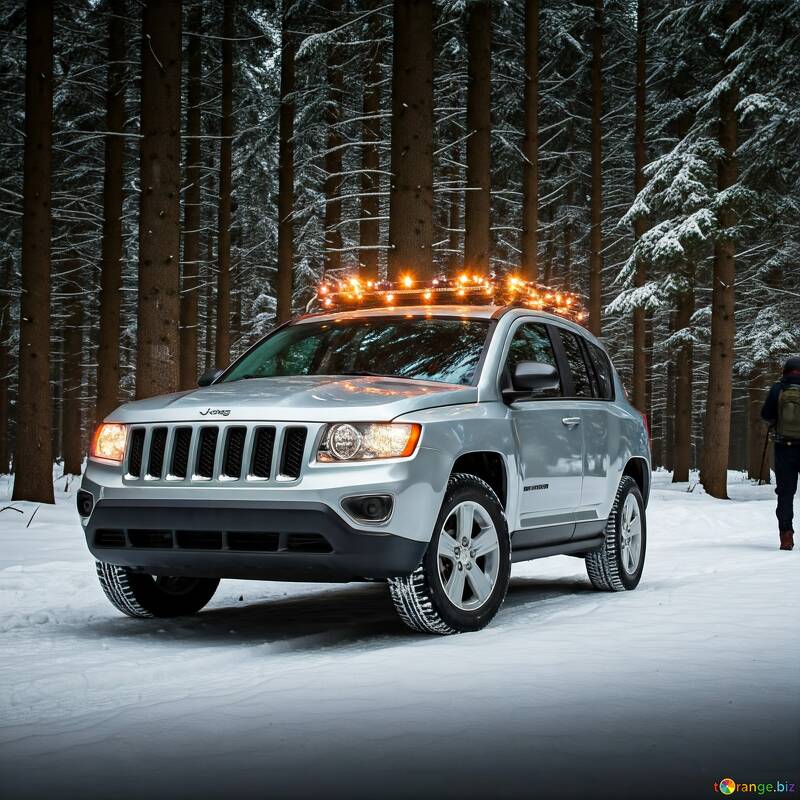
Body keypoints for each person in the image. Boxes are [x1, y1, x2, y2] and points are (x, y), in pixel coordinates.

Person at [761, 356, 800, 550]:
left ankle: (786, 535)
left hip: (785, 447)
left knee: (785, 493)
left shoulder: (778, 389)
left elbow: (766, 415)